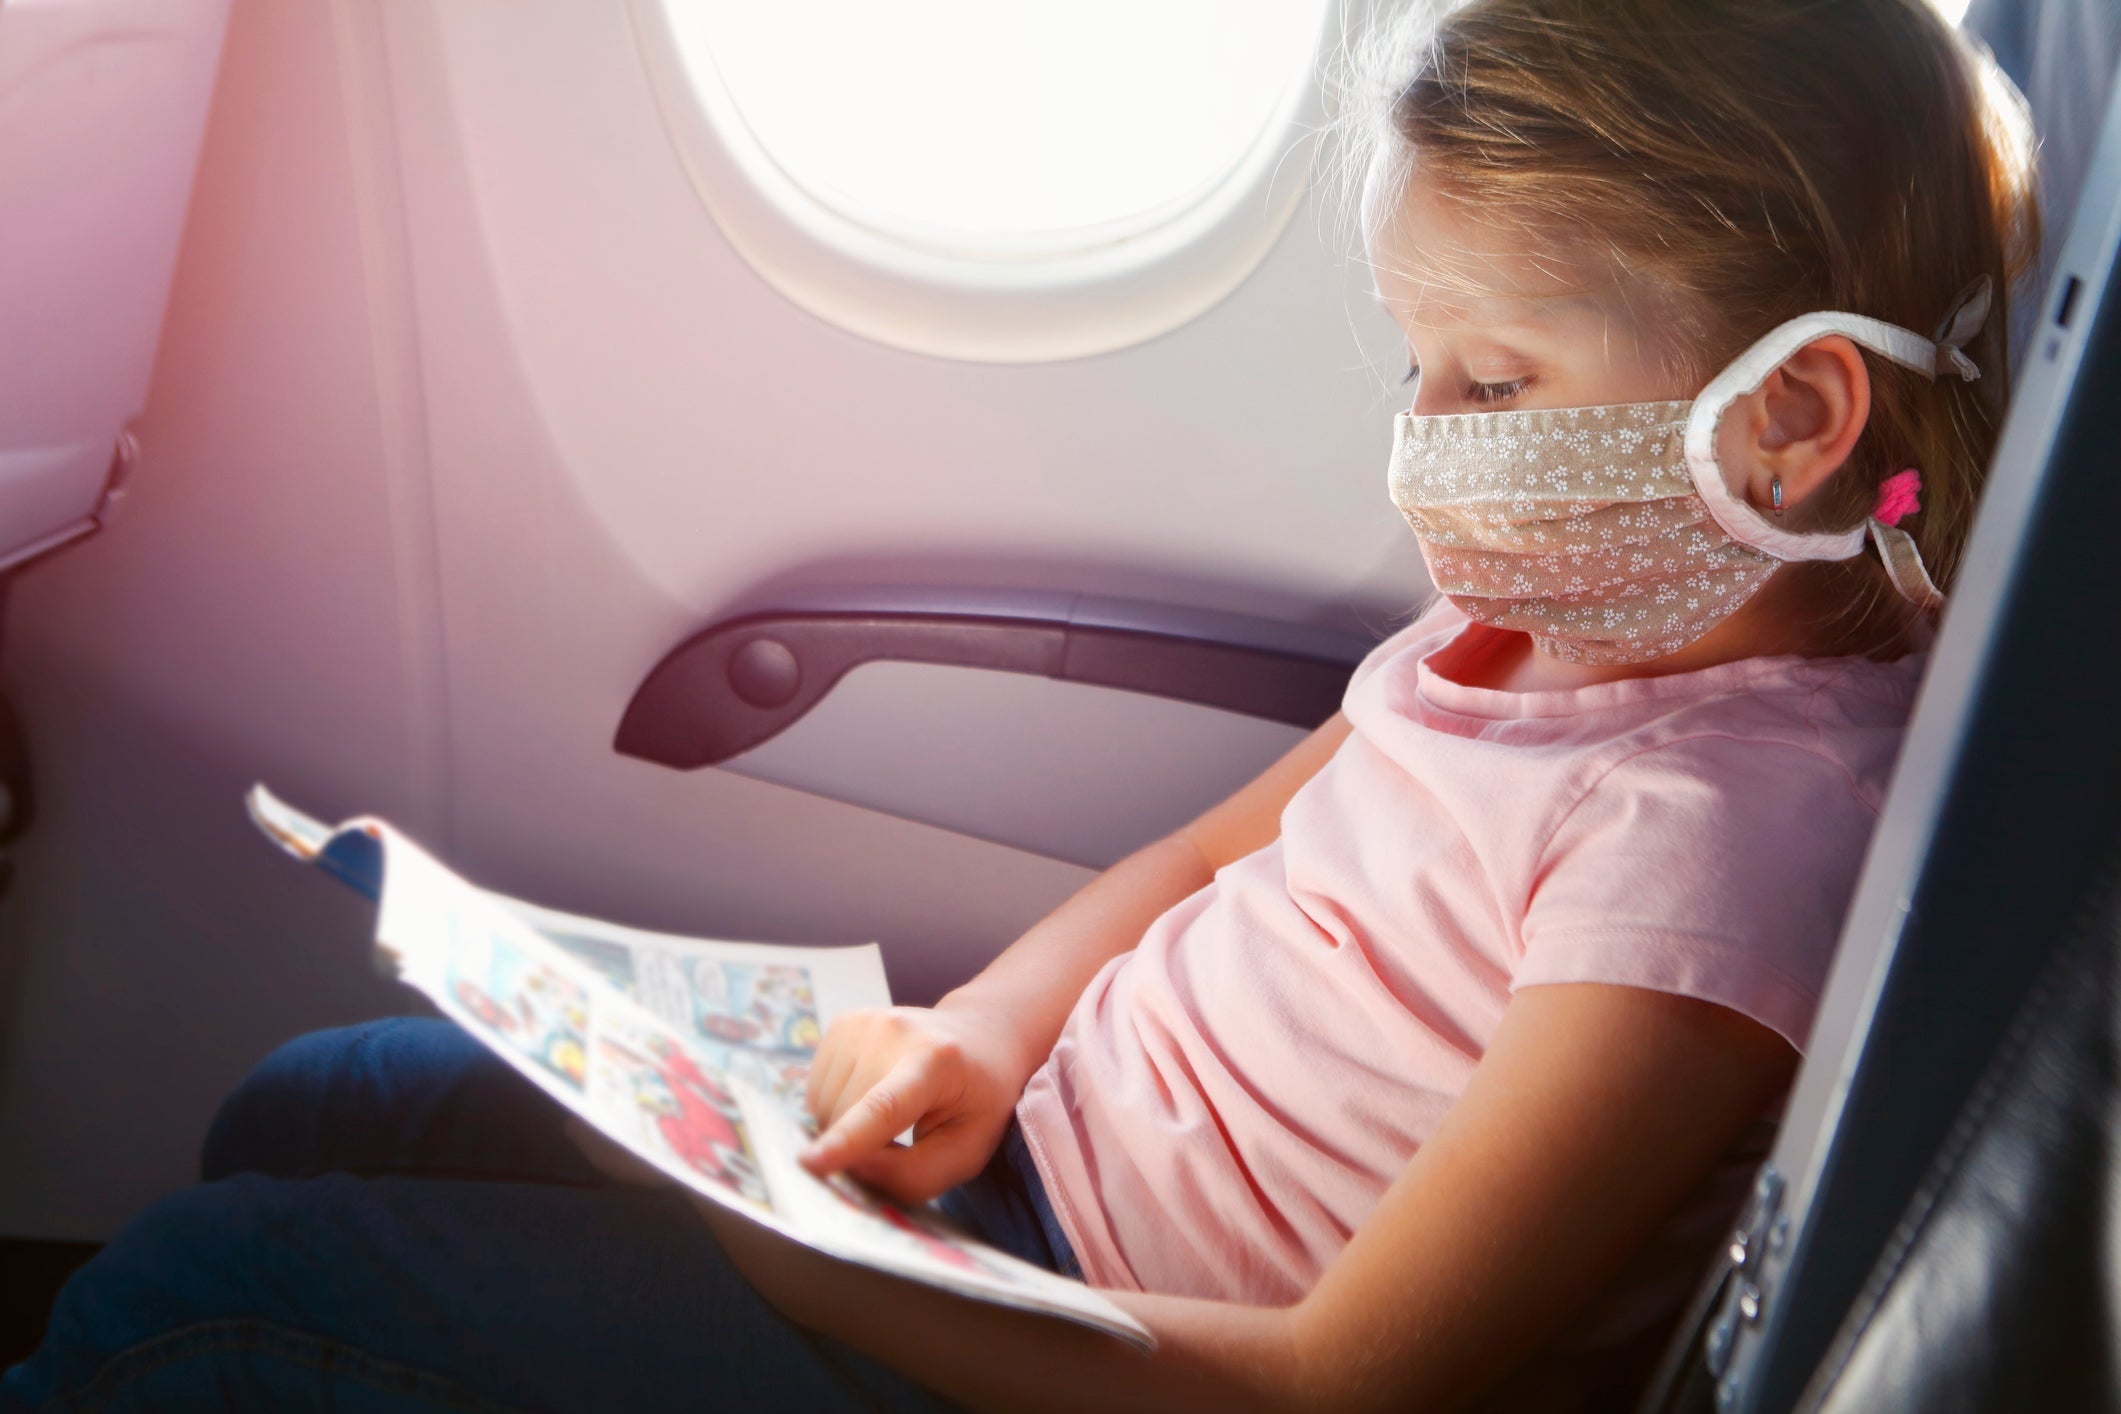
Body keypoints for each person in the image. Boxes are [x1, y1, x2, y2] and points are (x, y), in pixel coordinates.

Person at [3, 1, 2039, 1409]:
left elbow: (1357, 1378)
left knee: (196, 1314)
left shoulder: (1713, 842)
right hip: (1008, 1190)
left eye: (1487, 385)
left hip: (1056, 1348)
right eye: (1413, 367)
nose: (1421, 449)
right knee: (330, 1094)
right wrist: (984, 1027)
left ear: (1785, 421)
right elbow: (1210, 850)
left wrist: (825, 1260)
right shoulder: (1530, 623)